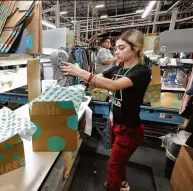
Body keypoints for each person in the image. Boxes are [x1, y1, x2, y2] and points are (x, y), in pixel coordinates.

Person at [60, 29, 151, 191]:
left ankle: (113, 187)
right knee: (118, 161)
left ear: (136, 48)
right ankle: (123, 184)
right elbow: (99, 79)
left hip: (129, 128)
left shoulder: (142, 71)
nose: (117, 51)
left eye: (122, 48)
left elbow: (114, 85)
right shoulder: (117, 69)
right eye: (116, 48)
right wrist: (80, 76)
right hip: (115, 122)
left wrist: (79, 71)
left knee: (114, 164)